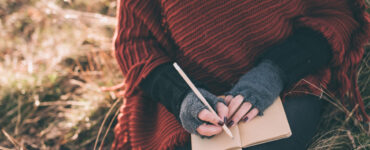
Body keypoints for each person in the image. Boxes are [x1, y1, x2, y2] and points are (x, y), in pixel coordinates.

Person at [108, 0, 370, 149]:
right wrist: (182, 97)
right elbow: (135, 43)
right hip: (186, 102)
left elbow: (336, 15)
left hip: (287, 84)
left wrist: (272, 73)